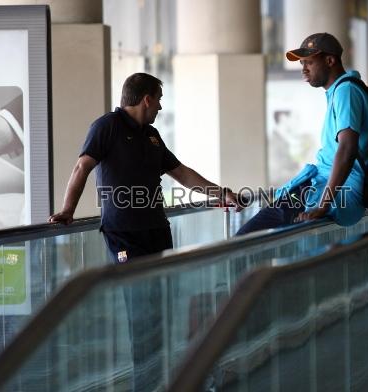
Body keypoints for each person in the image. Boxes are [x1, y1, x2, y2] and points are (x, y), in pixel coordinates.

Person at [49, 72, 239, 391]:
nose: (161, 108)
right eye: (159, 100)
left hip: (157, 232)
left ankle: (161, 381)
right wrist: (68, 210)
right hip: (125, 236)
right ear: (146, 99)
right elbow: (82, 166)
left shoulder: (151, 135)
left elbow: (181, 173)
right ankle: (145, 384)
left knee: (162, 310)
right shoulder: (106, 126)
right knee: (141, 312)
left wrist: (220, 193)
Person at [236, 32, 368, 235]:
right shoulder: (340, 91)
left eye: (309, 62)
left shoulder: (346, 91)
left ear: (330, 60)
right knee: (257, 239)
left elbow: (347, 149)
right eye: (302, 63)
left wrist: (322, 205)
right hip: (320, 187)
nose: (303, 70)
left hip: (331, 193)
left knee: (246, 239)